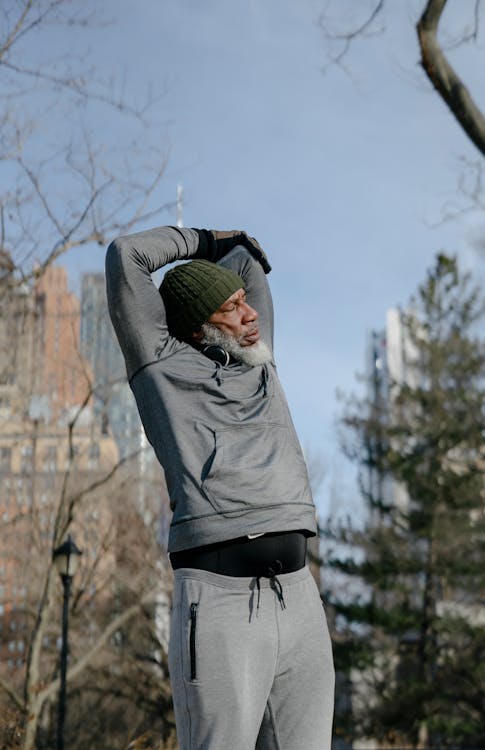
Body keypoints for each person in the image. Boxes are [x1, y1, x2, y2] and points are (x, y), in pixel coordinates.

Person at [105, 226, 335, 750]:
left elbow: (246, 257)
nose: (251, 313)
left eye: (245, 303)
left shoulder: (260, 361)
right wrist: (204, 239)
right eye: (232, 308)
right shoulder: (162, 369)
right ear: (196, 328)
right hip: (220, 605)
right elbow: (127, 256)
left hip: (299, 597)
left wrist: (227, 247)